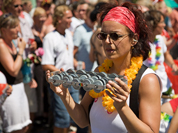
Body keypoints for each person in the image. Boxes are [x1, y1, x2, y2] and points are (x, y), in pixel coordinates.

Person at [47, 2, 162, 133]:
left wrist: (122, 107)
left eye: (115, 36)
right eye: (103, 35)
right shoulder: (100, 72)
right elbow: (83, 120)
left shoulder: (147, 80)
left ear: (134, 39)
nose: (107, 41)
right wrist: (64, 95)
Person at [42, 5, 79, 133]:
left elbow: (67, 56)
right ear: (59, 19)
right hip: (59, 83)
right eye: (68, 17)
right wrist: (60, 72)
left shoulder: (68, 34)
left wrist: (75, 63)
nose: (71, 20)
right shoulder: (50, 38)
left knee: (72, 116)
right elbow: (46, 64)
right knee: (61, 118)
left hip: (72, 81)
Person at [0, 13, 31, 133]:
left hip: (19, 87)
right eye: (13, 27)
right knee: (15, 129)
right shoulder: (1, 44)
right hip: (9, 91)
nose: (17, 29)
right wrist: (21, 50)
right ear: (3, 30)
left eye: (17, 26)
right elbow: (13, 70)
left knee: (25, 126)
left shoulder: (12, 43)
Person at [144, 10, 178, 96]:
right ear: (152, 24)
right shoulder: (142, 43)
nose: (164, 24)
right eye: (161, 22)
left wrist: (173, 65)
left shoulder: (159, 39)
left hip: (165, 86)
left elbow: (166, 54)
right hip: (150, 88)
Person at [89, 2, 107, 70]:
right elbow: (104, 55)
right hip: (106, 70)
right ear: (99, 16)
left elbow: (91, 58)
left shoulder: (93, 34)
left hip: (101, 69)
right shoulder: (100, 32)